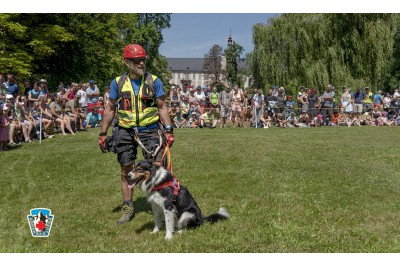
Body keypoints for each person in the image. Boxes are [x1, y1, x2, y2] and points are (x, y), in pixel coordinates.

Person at [98, 43, 174, 224]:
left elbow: (162, 107)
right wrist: (103, 133)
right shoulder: (117, 83)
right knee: (126, 170)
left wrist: (169, 130)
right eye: (137, 61)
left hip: (150, 130)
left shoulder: (154, 81)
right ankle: (128, 208)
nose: (141, 64)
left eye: (143, 60)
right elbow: (110, 109)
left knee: (157, 169)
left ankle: (163, 205)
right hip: (124, 130)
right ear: (127, 62)